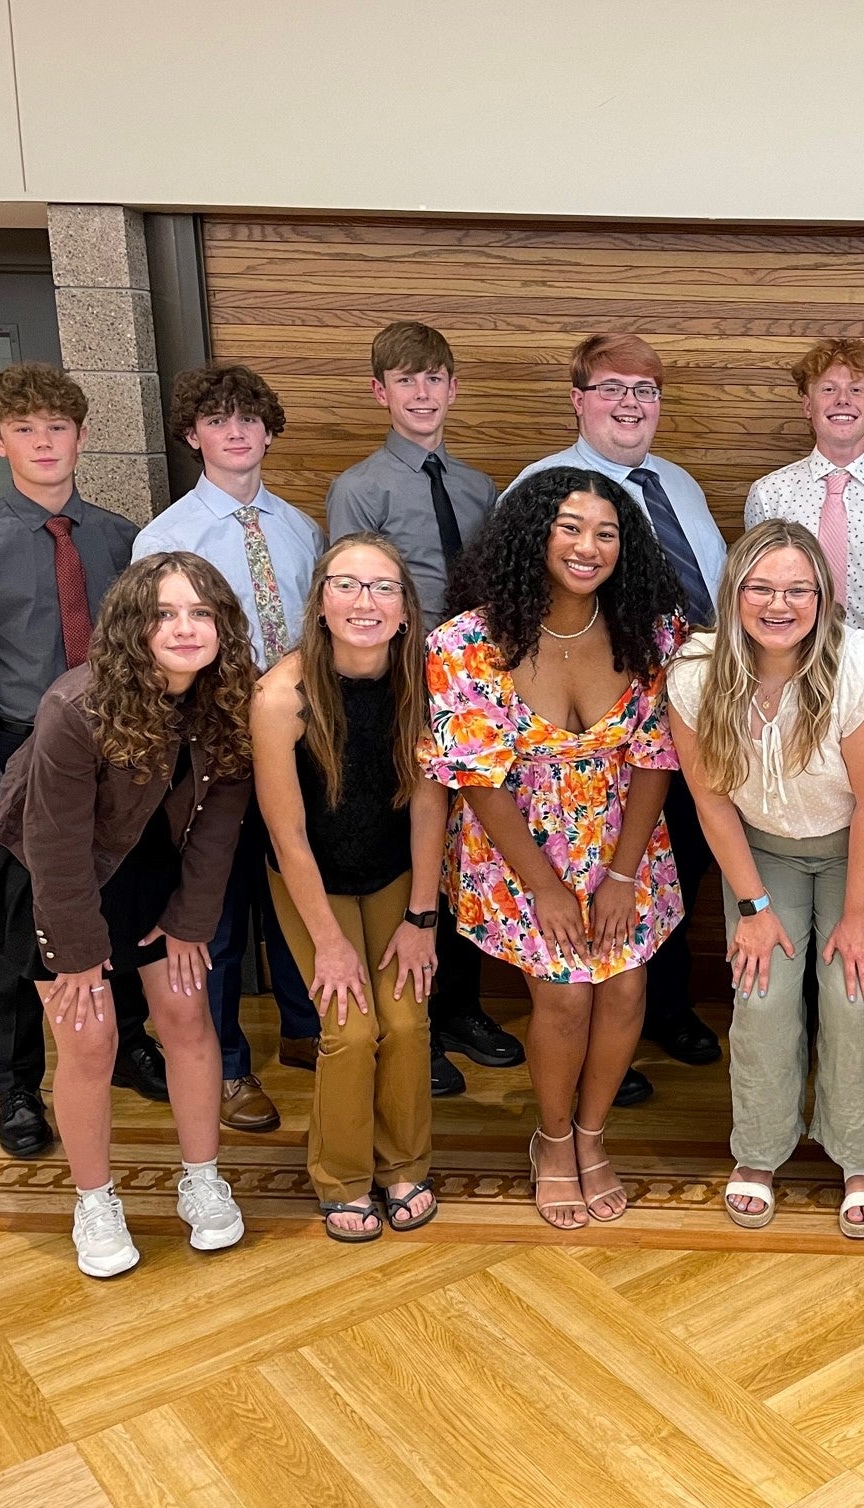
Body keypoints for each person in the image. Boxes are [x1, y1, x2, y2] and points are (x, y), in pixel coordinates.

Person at [0, 552, 254, 1277]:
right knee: (90, 1040)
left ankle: (202, 1178)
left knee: (188, 1017)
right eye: (164, 614)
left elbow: (219, 824)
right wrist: (77, 953)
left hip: (155, 873)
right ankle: (94, 1201)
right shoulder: (75, 706)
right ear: (133, 625)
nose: (185, 628)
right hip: (51, 882)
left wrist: (189, 920)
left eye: (201, 613)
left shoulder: (229, 700)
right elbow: (55, 844)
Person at [421, 467, 686, 1230]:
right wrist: (542, 885)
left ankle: (594, 1136)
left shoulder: (652, 630)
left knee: (627, 989)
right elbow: (478, 779)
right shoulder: (467, 641)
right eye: (570, 527)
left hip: (622, 838)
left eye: (606, 532)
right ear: (534, 534)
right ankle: (553, 1136)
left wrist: (622, 872)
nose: (587, 546)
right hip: (517, 849)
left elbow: (654, 756)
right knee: (566, 993)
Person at [0, 362, 168, 1161]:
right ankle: (17, 1082)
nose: (43, 443)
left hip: (112, 747)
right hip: (19, 752)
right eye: (24, 430)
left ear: (81, 437)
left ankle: (130, 1042)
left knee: (117, 901)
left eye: (57, 428)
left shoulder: (120, 539)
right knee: (22, 929)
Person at [510, 334, 729, 1099]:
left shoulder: (678, 484)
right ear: (577, 398)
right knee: (597, 883)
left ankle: (663, 1009)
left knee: (678, 867)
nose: (631, 403)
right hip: (594, 739)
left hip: (693, 715)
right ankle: (606, 1051)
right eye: (612, 387)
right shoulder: (546, 489)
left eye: (646, 388)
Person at [669, 521, 864, 1237]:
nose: (780, 603)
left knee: (854, 989)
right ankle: (761, 1149)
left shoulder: (863, 666)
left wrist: (860, 915)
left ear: (824, 597)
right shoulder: (694, 671)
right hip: (760, 850)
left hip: (851, 847)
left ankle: (860, 1154)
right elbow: (709, 799)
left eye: (798, 588)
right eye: (762, 587)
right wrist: (754, 906)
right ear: (734, 591)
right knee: (761, 989)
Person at [324, 320, 518, 1098]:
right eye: (406, 380)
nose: (423, 393)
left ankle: (464, 1005)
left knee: (467, 844)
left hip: (469, 686)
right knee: (412, 842)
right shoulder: (360, 487)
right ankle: (419, 1019)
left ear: (452, 387)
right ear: (381, 392)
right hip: (401, 686)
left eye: (435, 378)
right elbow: (351, 596)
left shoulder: (478, 487)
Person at [134, 364, 323, 1134]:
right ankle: (230, 1067)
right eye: (217, 420)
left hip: (298, 742)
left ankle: (307, 1029)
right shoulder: (166, 538)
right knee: (213, 904)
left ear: (270, 431)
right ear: (192, 436)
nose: (236, 432)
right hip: (209, 748)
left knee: (294, 890)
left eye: (249, 419)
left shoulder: (301, 527)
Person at [253, 534, 445, 1241]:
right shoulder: (282, 696)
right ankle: (341, 1178)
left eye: (383, 588)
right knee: (351, 1025)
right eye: (347, 585)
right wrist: (328, 945)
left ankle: (404, 1165)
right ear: (321, 602)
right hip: (313, 880)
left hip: (397, 872)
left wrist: (422, 918)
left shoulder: (422, 680)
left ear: (405, 610)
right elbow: (288, 837)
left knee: (405, 1020)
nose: (365, 602)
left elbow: (429, 802)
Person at [744, 337, 864, 642]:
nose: (842, 400)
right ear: (808, 404)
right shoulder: (770, 495)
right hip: (794, 662)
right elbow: (760, 592)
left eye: (856, 389)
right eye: (828, 389)